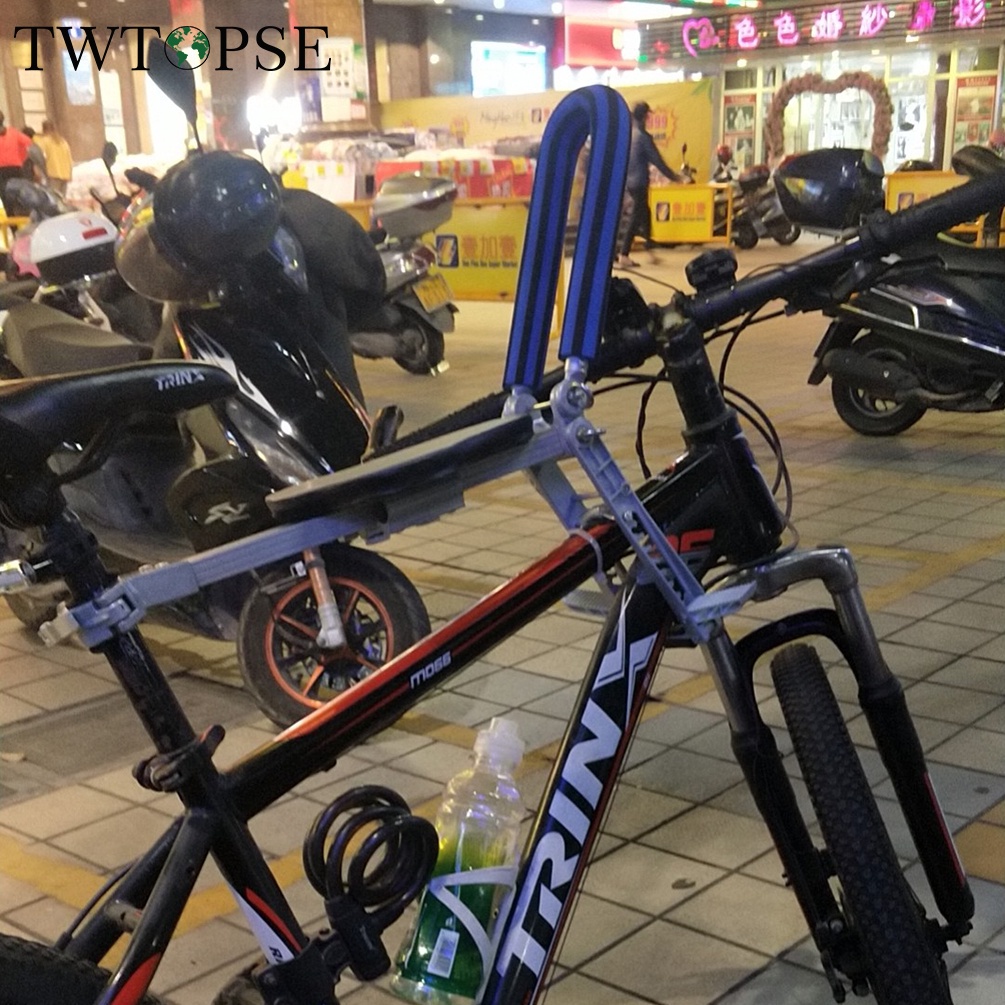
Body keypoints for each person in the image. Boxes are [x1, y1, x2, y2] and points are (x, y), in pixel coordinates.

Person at [616, 102, 684, 269]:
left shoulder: (629, 135)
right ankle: (624, 254)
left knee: (645, 213)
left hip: (629, 181)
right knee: (636, 217)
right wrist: (674, 177)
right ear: (645, 117)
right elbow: (657, 160)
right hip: (639, 182)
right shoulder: (642, 137)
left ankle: (650, 249)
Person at [0, 110, 32, 210]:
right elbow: (28, 143)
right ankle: (23, 213)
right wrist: (21, 157)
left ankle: (11, 217)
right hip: (16, 167)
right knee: (20, 193)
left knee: (4, 195)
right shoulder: (13, 132)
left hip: (1, 169)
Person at [35, 120, 72, 196]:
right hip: (65, 174)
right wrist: (70, 173)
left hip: (53, 173)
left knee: (53, 197)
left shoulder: (44, 141)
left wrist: (38, 168)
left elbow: (36, 154)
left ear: (44, 129)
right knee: (62, 198)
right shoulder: (63, 142)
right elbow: (69, 159)